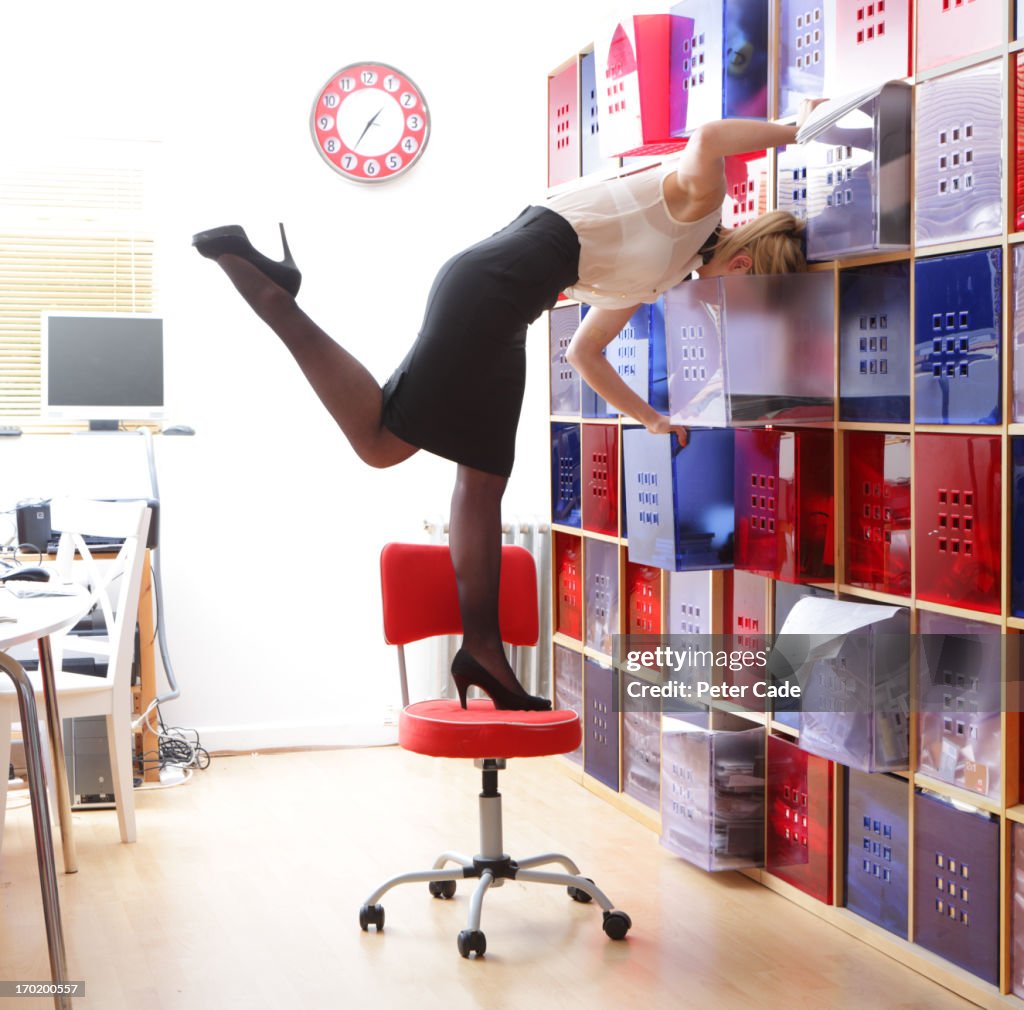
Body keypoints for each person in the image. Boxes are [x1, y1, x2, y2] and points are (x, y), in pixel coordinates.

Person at [192, 104, 818, 711]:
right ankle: (276, 297)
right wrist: (797, 127)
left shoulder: (663, 269)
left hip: (507, 305)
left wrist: (652, 418)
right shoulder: (698, 205)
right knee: (383, 446)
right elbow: (709, 137)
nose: (721, 311)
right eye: (739, 296)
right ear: (742, 264)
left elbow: (585, 352)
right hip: (492, 291)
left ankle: (484, 653)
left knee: (483, 480)